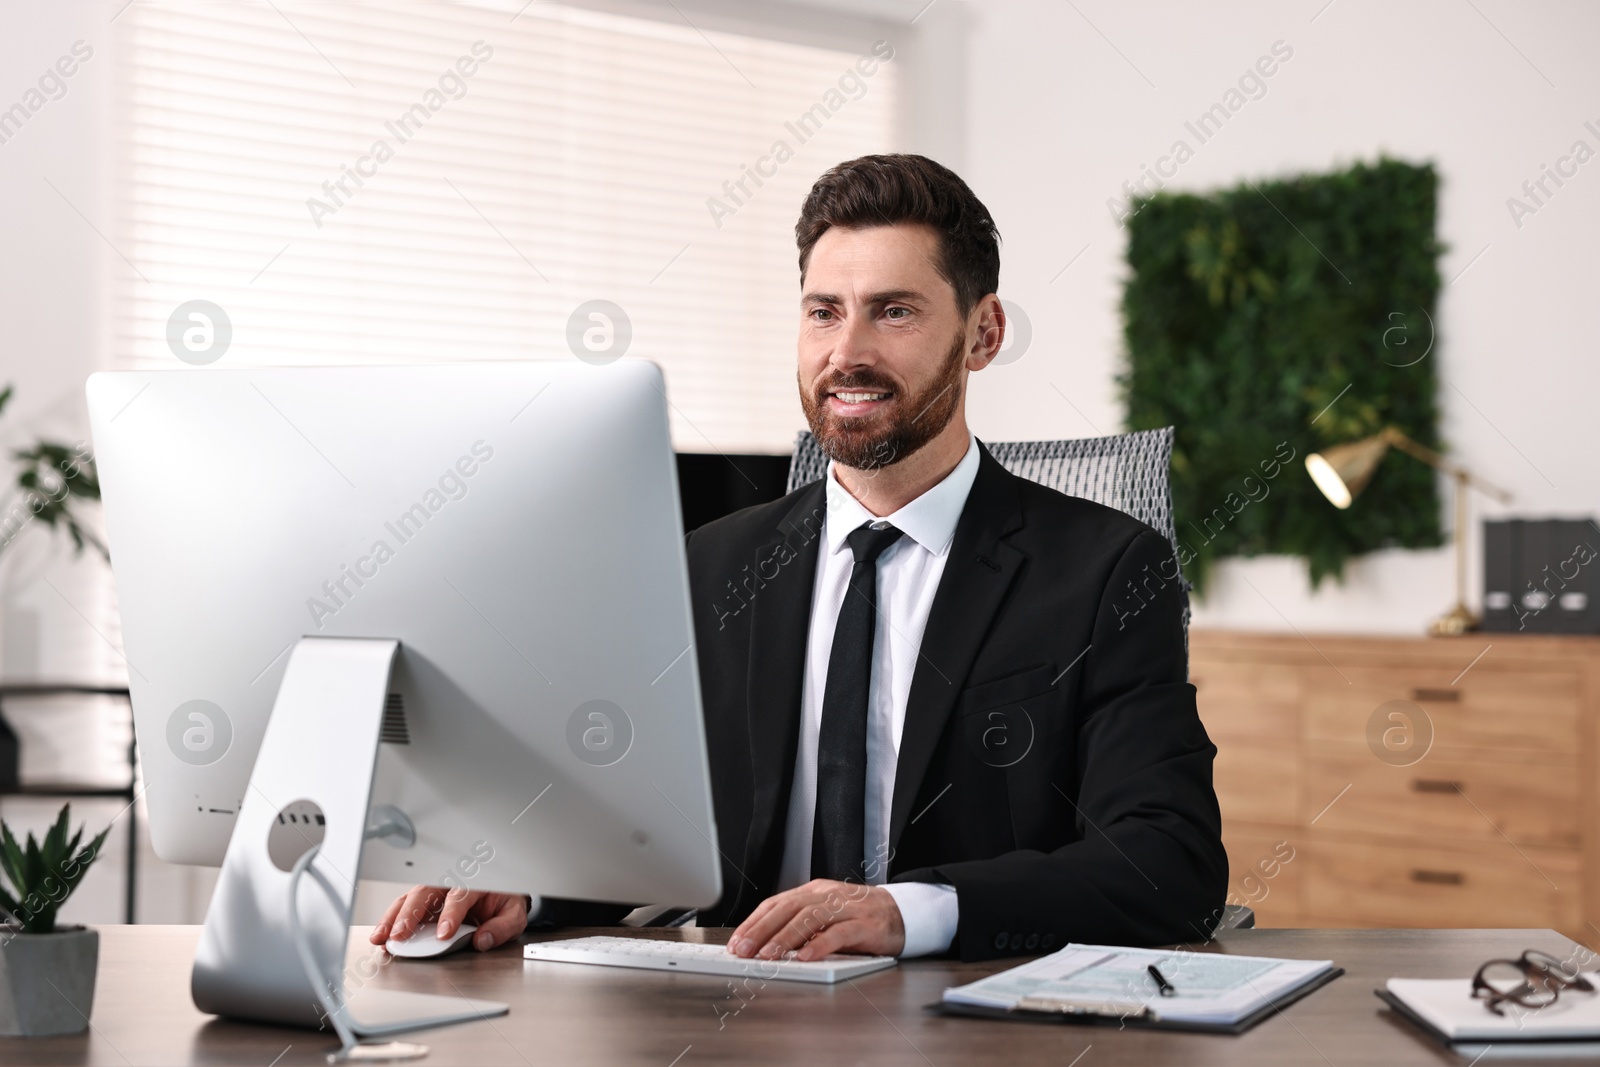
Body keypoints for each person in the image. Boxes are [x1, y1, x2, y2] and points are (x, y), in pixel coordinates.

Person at [373, 154, 1226, 962]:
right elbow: (644, 825)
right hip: (731, 1017)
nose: (846, 352)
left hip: (970, 1020)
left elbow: (1168, 862)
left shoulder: (1107, 571)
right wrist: (534, 886)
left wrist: (908, 911)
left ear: (983, 333)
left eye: (893, 311)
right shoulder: (711, 566)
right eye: (824, 311)